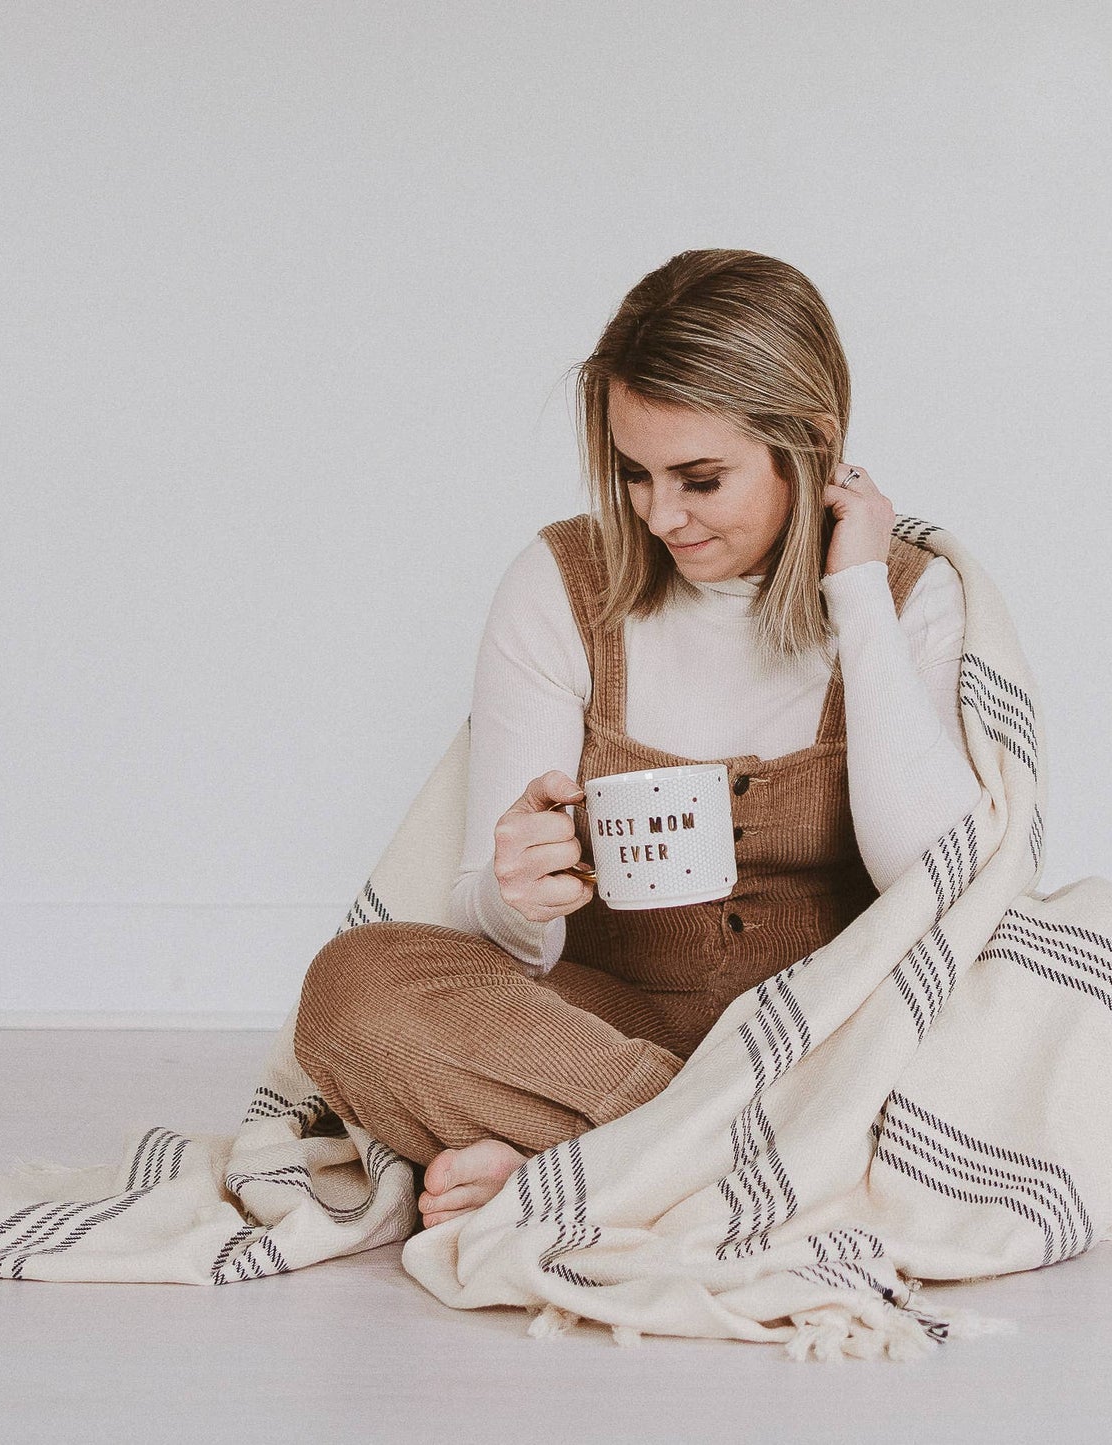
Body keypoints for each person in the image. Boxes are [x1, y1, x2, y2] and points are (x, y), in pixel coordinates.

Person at [292, 249, 983, 1232]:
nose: (660, 515)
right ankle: (735, 1164)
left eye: (700, 478)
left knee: (1061, 986)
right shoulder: (561, 583)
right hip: (600, 1032)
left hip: (827, 1037)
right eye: (632, 474)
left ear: (809, 443)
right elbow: (497, 944)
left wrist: (858, 593)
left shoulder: (909, 592)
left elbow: (938, 887)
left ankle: (581, 1164)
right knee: (353, 987)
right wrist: (515, 894)